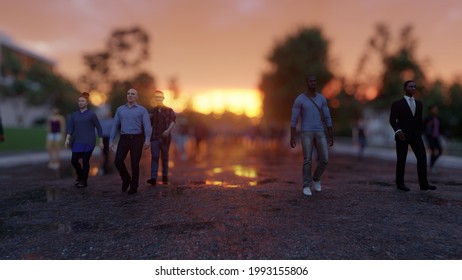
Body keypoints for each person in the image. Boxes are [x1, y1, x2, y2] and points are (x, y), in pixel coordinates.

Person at [290, 74, 334, 196]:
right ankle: (306, 185)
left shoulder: (321, 99)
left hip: (320, 131)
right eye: (311, 81)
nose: (313, 83)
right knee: (307, 159)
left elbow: (327, 117)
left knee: (325, 158)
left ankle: (316, 178)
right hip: (306, 132)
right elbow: (294, 119)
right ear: (307, 83)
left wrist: (330, 135)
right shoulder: (300, 99)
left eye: (315, 81)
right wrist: (292, 136)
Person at [389, 80, 436, 192]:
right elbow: (392, 120)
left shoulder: (419, 104)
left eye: (414, 87)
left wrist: (422, 130)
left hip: (416, 136)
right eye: (410, 86)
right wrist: (398, 131)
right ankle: (400, 184)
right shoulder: (397, 104)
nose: (413, 88)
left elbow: (419, 121)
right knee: (401, 160)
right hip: (402, 136)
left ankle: (424, 184)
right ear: (405, 88)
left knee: (422, 158)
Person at [109, 88, 151, 195]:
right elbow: (115, 126)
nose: (130, 95)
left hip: (137, 139)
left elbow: (147, 126)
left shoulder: (142, 110)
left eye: (133, 94)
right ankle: (126, 178)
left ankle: (134, 186)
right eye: (128, 93)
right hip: (124, 138)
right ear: (126, 96)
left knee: (134, 163)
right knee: (118, 161)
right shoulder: (120, 110)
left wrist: (147, 139)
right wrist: (111, 141)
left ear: (136, 97)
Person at [65, 92, 104, 188]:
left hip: (89, 141)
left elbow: (99, 127)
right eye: (79, 101)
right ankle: (80, 175)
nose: (80, 103)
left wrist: (101, 141)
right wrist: (67, 139)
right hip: (78, 141)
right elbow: (70, 128)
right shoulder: (74, 115)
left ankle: (84, 181)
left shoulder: (92, 115)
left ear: (87, 103)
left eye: (82, 101)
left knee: (86, 161)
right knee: (74, 161)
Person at [147, 90, 176, 186]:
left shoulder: (169, 110)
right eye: (156, 97)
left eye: (160, 97)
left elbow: (173, 121)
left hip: (165, 138)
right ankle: (153, 178)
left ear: (163, 98)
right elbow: (147, 123)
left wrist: (168, 131)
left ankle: (165, 177)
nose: (158, 98)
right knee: (154, 157)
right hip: (155, 137)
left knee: (165, 157)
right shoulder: (152, 111)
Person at [424, 105, 443, 173]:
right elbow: (423, 127)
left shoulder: (438, 118)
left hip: (436, 137)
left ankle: (432, 164)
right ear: (430, 110)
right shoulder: (427, 118)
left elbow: (440, 128)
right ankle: (432, 167)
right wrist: (427, 125)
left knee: (440, 151)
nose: (435, 110)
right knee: (433, 151)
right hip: (430, 137)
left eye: (436, 109)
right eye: (434, 109)